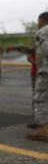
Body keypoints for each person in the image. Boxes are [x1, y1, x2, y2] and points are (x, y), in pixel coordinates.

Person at [27, 12, 48, 142]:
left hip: (46, 71)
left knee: (40, 97)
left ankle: (43, 129)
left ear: (42, 20)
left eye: (38, 21)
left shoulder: (42, 31)